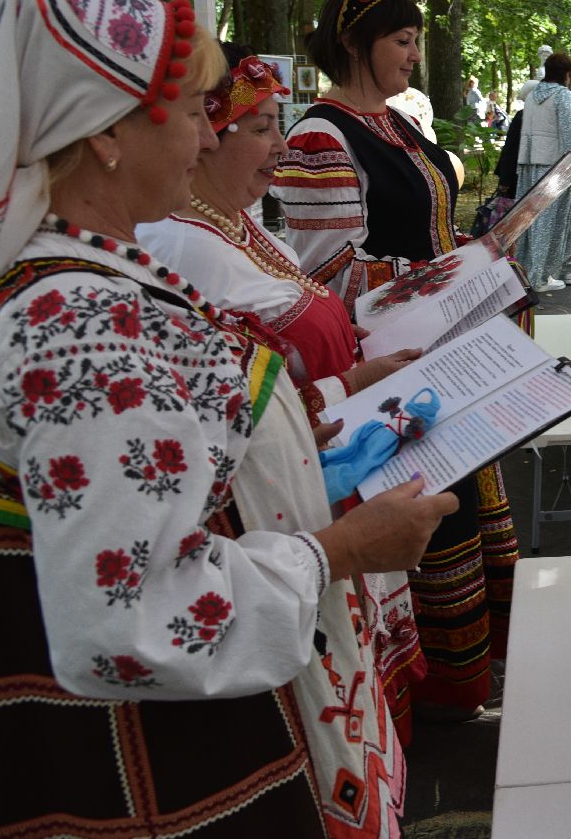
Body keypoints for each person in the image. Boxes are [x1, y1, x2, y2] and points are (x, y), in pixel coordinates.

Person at [0, 0, 456, 835]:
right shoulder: (81, 326)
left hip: (181, 724)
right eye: (194, 112)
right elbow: (135, 615)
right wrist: (338, 552)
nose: (205, 139)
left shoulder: (84, 277)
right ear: (106, 133)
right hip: (166, 756)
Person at [137, 46, 429, 745]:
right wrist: (343, 387)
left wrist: (353, 380)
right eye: (261, 127)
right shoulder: (182, 247)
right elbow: (227, 422)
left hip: (325, 480)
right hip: (279, 524)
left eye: (278, 123)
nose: (281, 146)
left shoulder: (239, 228)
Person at [273, 0, 521, 721]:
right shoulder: (321, 137)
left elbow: (429, 230)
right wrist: (449, 278)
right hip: (392, 362)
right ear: (355, 45)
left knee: (465, 507)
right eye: (402, 41)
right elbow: (333, 273)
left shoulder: (393, 126)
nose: (415, 55)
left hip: (439, 345)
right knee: (431, 512)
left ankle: (474, 678)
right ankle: (446, 695)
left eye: (416, 41)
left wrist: (480, 260)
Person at [516, 51, 571, 290]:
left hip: (529, 164)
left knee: (529, 222)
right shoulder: (562, 96)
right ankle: (541, 276)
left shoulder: (531, 97)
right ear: (567, 75)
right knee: (552, 222)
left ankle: (526, 270)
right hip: (554, 168)